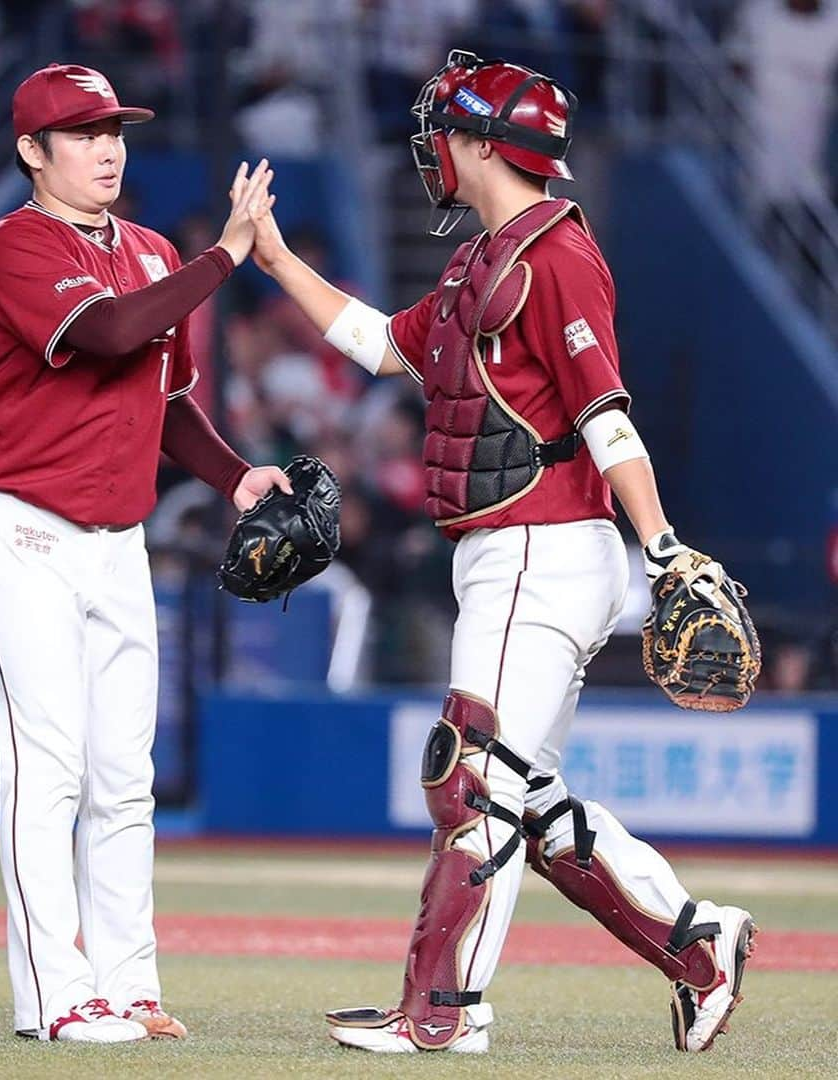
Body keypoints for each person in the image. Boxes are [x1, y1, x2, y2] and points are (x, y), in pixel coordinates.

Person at [249, 51, 755, 1056]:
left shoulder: (556, 253)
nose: (432, 147)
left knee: (470, 780)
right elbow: (381, 344)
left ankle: (443, 1013)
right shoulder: (480, 257)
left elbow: (606, 414)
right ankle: (699, 941)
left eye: (447, 131)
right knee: (528, 797)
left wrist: (661, 548)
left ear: (482, 142)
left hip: (545, 546)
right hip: (502, 553)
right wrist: (273, 258)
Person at [0, 62, 287, 1046]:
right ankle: (58, 997)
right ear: (31, 151)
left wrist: (235, 479)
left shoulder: (146, 247)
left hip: (115, 533)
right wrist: (224, 256)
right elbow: (106, 334)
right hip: (16, 524)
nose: (106, 147)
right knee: (46, 767)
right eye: (83, 131)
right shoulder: (15, 244)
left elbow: (165, 397)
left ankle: (129, 984)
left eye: (114, 130)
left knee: (123, 773)